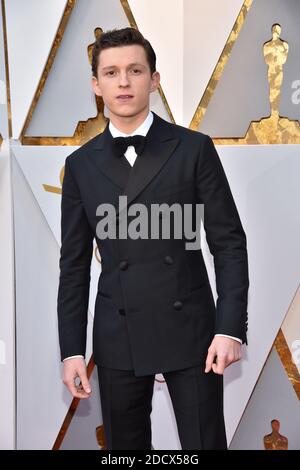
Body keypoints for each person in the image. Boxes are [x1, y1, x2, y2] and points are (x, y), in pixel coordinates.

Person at [57, 27, 249, 450]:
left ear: (154, 79)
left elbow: (229, 243)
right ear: (96, 84)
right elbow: (73, 266)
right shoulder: (80, 165)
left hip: (194, 334)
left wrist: (230, 328)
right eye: (111, 72)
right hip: (117, 337)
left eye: (134, 70)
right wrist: (72, 350)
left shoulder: (193, 149)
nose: (123, 82)